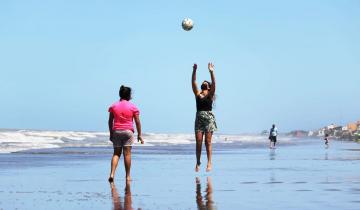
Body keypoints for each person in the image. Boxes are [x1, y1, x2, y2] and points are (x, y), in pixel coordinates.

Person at [108, 85, 144, 182]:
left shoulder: (113, 106)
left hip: (116, 131)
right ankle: (128, 176)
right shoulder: (133, 107)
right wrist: (139, 134)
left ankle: (112, 174)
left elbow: (110, 120)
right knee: (127, 154)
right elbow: (137, 121)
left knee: (116, 154)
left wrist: (111, 133)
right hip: (128, 132)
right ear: (129, 95)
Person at [192, 62, 217, 172]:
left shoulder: (210, 94)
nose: (203, 84)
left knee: (207, 142)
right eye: (202, 83)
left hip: (209, 119)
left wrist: (211, 72)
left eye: (205, 83)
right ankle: (198, 161)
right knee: (198, 141)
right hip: (199, 118)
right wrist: (194, 71)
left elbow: (214, 83)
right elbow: (193, 82)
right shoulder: (198, 94)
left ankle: (209, 162)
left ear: (208, 86)